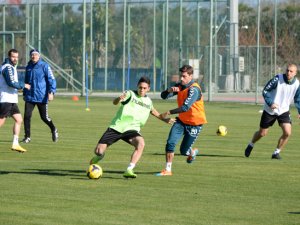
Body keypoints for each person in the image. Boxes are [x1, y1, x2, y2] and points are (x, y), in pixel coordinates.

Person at [89, 76, 174, 178]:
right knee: (99, 151)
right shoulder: (130, 94)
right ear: (137, 86)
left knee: (141, 143)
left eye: (144, 88)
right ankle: (99, 157)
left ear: (148, 89)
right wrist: (118, 99)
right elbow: (115, 102)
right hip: (117, 127)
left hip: (132, 130)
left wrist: (165, 119)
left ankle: (129, 170)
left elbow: (153, 112)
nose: (142, 90)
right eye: (140, 87)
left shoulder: (148, 101)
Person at [156, 65, 207, 176]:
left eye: (184, 76)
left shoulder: (194, 89)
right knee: (170, 143)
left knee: (184, 151)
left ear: (191, 76)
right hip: (181, 121)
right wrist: (169, 90)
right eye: (181, 76)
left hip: (195, 124)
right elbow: (163, 96)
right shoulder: (180, 86)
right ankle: (168, 170)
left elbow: (185, 107)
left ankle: (192, 152)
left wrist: (168, 113)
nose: (181, 79)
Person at [244, 64, 300, 159]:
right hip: (270, 110)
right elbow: (265, 91)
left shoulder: (297, 84)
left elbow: (298, 99)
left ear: (295, 73)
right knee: (262, 133)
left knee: (287, 132)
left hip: (284, 111)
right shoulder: (277, 79)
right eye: (287, 70)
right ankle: (251, 144)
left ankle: (276, 153)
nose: (288, 73)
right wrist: (271, 103)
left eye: (291, 71)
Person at [22, 49, 58, 143]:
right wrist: (25, 93)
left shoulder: (44, 66)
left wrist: (51, 92)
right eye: (32, 55)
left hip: (41, 96)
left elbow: (52, 79)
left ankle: (54, 129)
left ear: (39, 56)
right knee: (27, 116)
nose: (34, 56)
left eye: (36, 55)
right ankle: (27, 137)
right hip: (30, 96)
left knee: (44, 117)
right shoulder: (28, 67)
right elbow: (26, 81)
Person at [0, 49, 30, 153]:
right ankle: (15, 143)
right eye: (13, 57)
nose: (15, 59)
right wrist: (24, 85)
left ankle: (15, 144)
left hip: (11, 99)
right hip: (6, 99)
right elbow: (11, 83)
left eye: (17, 57)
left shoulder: (12, 67)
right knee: (1, 121)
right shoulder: (7, 67)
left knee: (19, 120)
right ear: (9, 56)